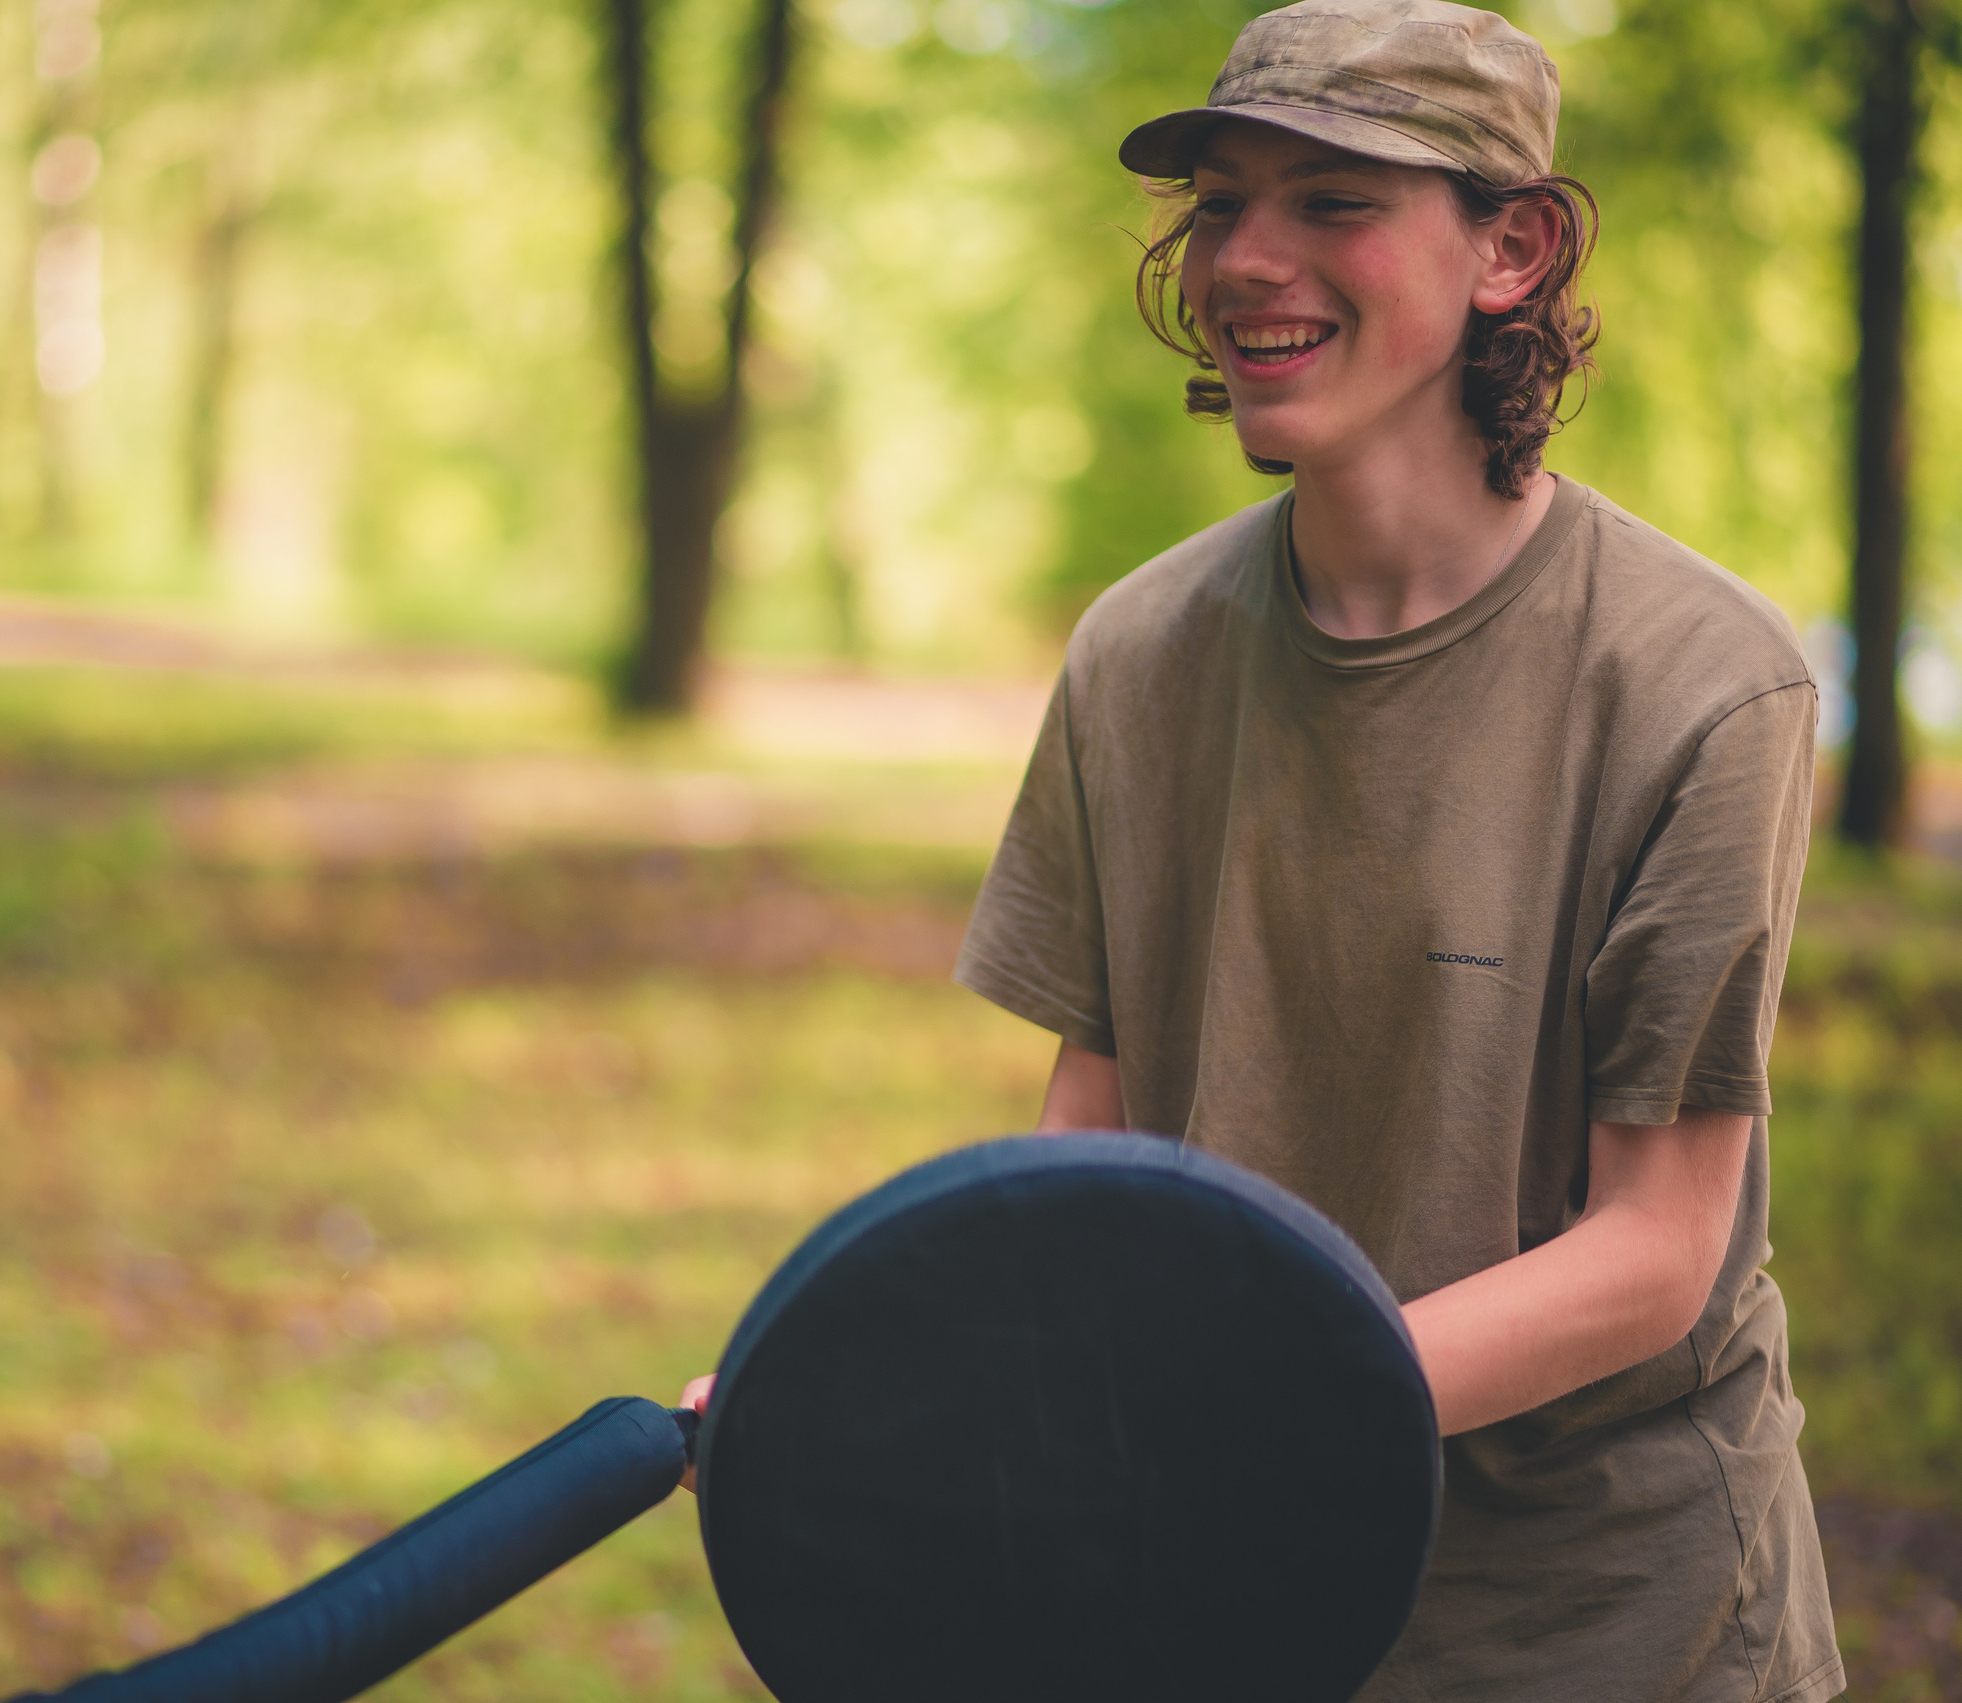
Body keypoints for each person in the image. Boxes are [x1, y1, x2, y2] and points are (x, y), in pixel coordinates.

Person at [684, 3, 1840, 1698]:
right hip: (1230, 1593)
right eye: (1223, 203)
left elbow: (1652, 1251)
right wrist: (870, 1381)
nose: (1247, 260)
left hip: (1610, 1626)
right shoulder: (1140, 656)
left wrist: (1246, 1386)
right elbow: (1095, 1145)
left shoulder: (1702, 682)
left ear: (1510, 249)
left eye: (1334, 201)